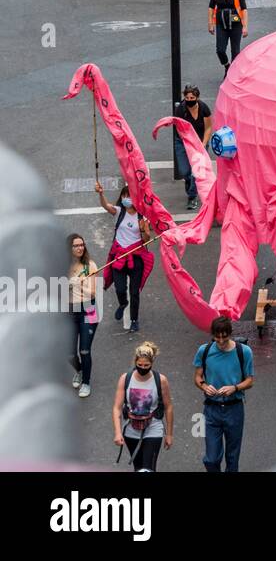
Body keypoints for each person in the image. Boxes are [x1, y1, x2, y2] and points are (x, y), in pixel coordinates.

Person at [193, 315, 255, 472]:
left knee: (232, 457)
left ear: (230, 334)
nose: (220, 341)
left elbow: (250, 381)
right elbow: (198, 377)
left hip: (234, 409)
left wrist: (234, 388)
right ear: (212, 335)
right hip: (211, 409)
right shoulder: (204, 351)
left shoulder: (244, 352)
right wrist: (204, 387)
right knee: (211, 458)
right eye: (217, 337)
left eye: (224, 337)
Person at [95, 182, 153, 333]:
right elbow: (106, 206)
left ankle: (134, 319)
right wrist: (101, 194)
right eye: (124, 195)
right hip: (119, 257)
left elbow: (147, 239)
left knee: (135, 292)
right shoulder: (119, 211)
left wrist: (144, 230)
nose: (126, 198)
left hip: (136, 259)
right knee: (120, 288)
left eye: (129, 196)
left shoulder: (142, 217)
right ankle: (122, 303)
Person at [113, 341, 173, 472]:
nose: (143, 368)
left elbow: (168, 407)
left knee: (148, 469)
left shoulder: (160, 380)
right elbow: (117, 407)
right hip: (131, 428)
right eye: (139, 365)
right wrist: (118, 432)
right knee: (138, 467)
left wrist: (169, 434)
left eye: (147, 365)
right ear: (135, 362)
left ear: (152, 363)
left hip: (153, 427)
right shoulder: (125, 379)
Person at [68, 234, 100, 398]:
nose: (80, 248)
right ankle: (79, 371)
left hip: (88, 309)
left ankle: (86, 382)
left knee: (85, 350)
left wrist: (77, 284)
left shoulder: (90, 265)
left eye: (82, 245)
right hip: (69, 311)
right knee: (69, 352)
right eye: (76, 246)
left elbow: (93, 293)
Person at [174, 84, 213, 211]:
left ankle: (192, 197)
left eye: (192, 97)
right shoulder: (180, 110)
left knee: (196, 171)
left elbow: (208, 128)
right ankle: (189, 181)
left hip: (200, 141)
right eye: (187, 98)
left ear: (197, 97)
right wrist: (190, 143)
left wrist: (202, 144)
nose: (190, 100)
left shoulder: (204, 109)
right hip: (183, 141)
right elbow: (180, 130)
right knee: (185, 170)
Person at [208, 0, 248, 76]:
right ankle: (227, 66)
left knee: (235, 51)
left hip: (235, 21)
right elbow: (211, 7)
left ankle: (233, 74)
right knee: (220, 50)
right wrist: (210, 23)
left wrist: (244, 26)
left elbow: (244, 9)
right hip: (221, 23)